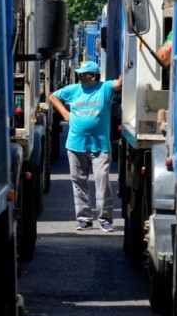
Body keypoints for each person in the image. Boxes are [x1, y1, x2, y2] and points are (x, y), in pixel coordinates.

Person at [48, 60, 123, 232]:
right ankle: (84, 219)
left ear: (93, 75)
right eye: (80, 74)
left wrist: (128, 67)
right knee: (79, 182)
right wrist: (65, 113)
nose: (80, 76)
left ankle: (105, 220)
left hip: (100, 146)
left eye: (84, 74)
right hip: (76, 145)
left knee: (102, 180)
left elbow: (119, 84)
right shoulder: (73, 90)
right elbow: (53, 96)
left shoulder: (104, 89)